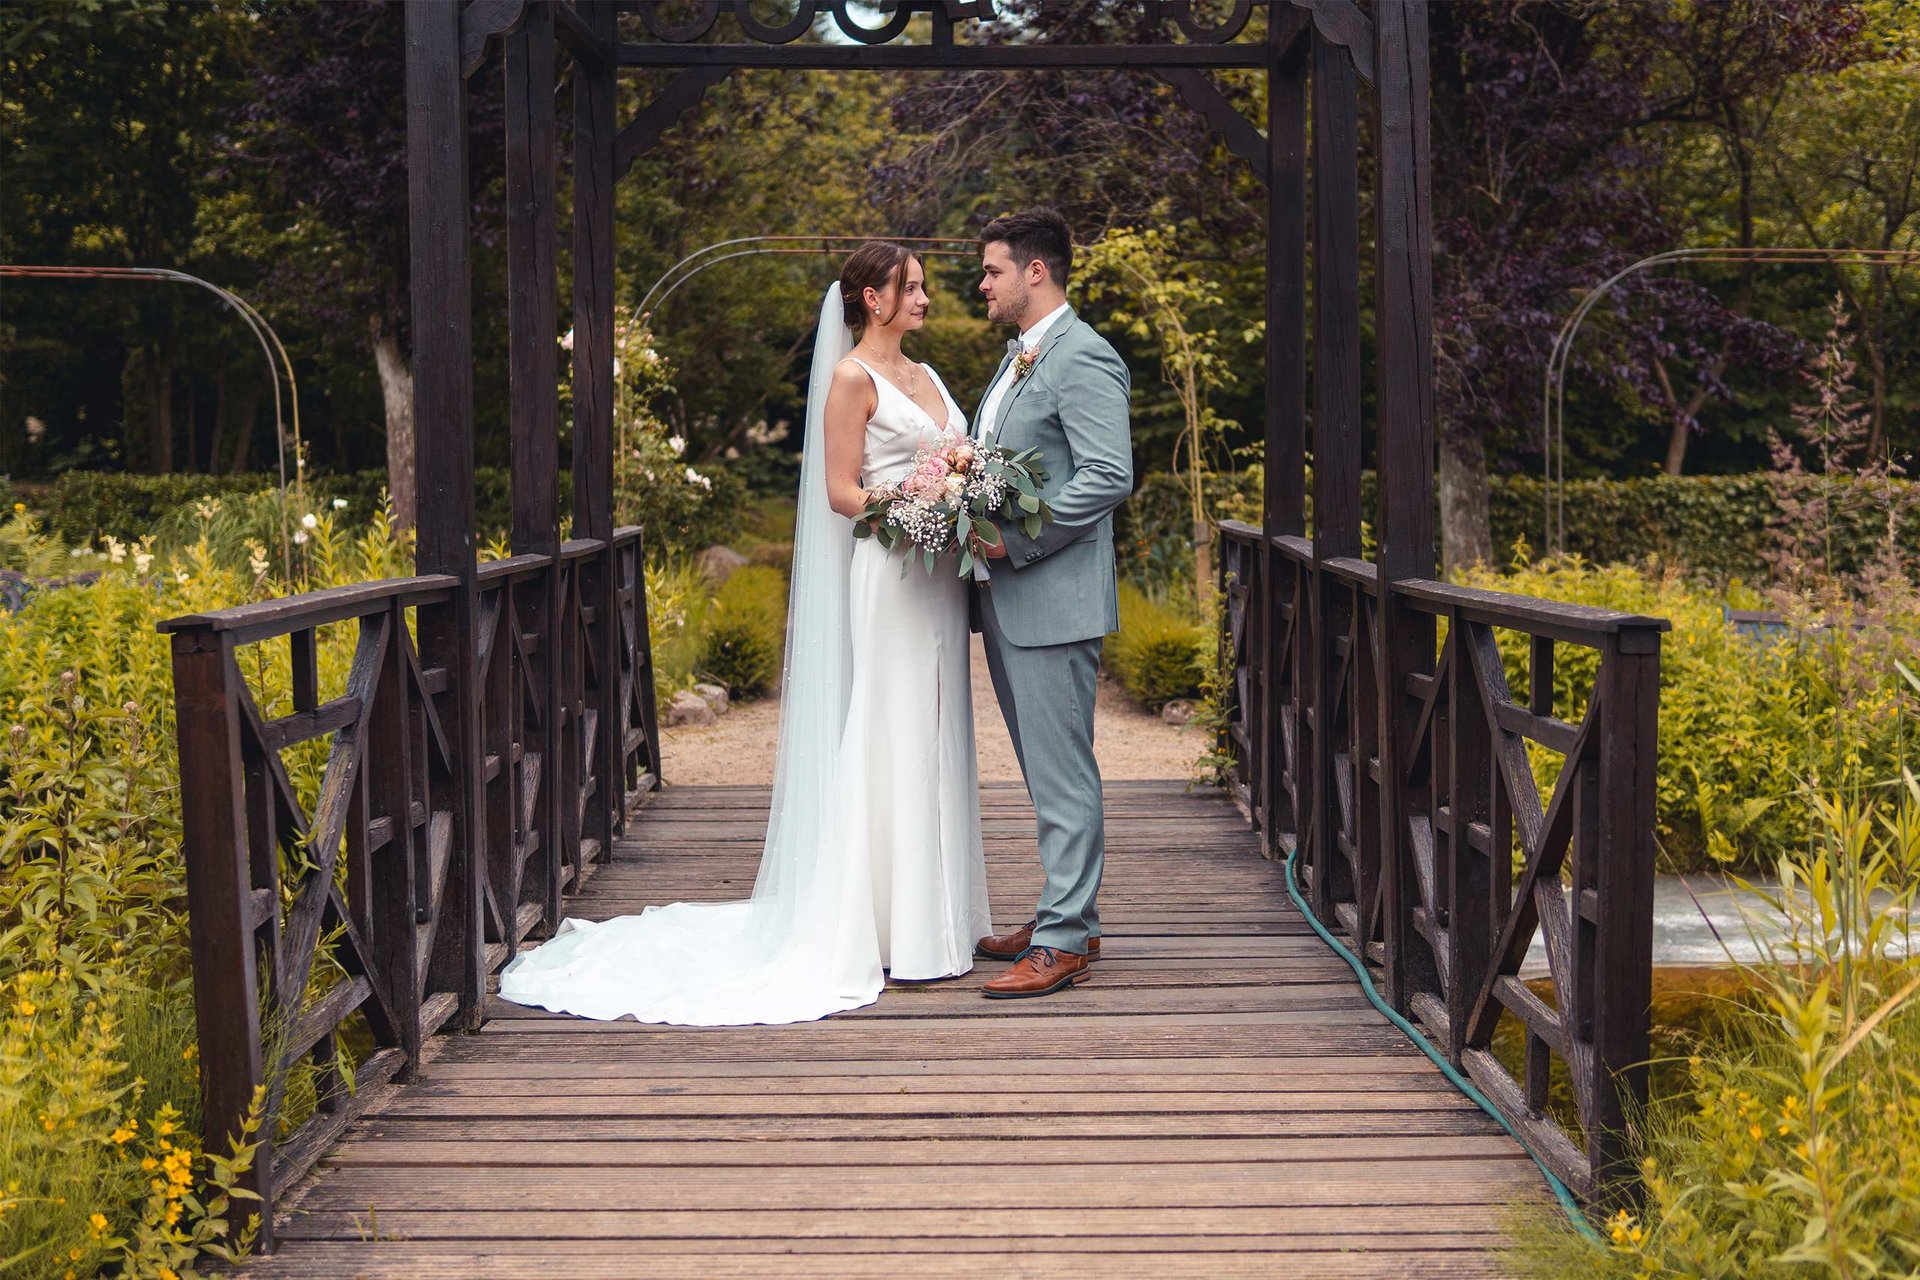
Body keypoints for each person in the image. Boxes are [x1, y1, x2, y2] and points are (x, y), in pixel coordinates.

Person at [496, 242, 991, 1025]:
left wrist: (964, 489)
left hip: (937, 582)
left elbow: (957, 457)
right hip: (890, 576)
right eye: (912, 287)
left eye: (925, 286)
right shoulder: (849, 379)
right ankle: (881, 929)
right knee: (888, 729)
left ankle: (936, 925)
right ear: (871, 297)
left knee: (936, 731)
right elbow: (839, 492)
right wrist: (921, 503)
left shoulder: (929, 379)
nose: (927, 299)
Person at [967, 207, 1134, 999]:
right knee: (1045, 768)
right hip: (1010, 599)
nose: (983, 283)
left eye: (993, 270)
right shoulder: (1020, 359)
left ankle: (1064, 939)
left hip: (1052, 593)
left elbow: (1107, 475)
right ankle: (1071, 914)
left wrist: (1015, 543)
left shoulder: (1083, 355)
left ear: (1037, 272)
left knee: (1063, 771)